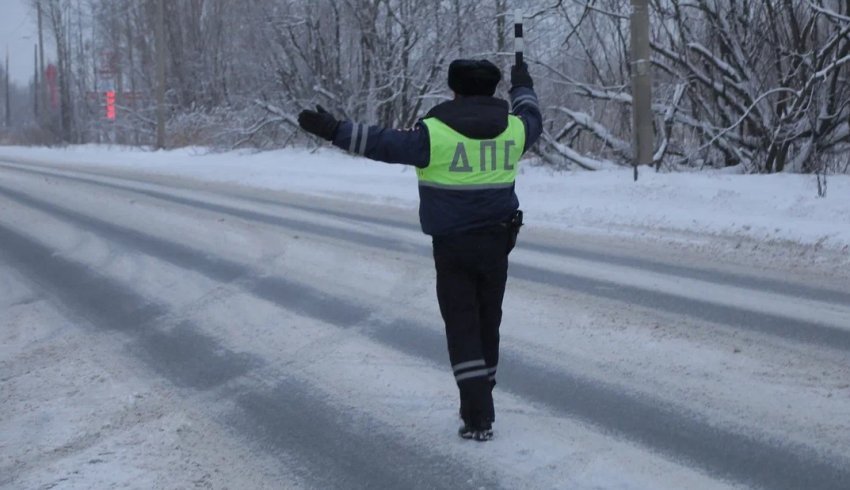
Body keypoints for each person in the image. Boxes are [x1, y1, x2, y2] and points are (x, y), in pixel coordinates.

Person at [297, 59, 542, 441]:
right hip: (498, 243)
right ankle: (480, 401)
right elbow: (532, 114)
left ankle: (477, 416)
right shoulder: (514, 129)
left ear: (454, 91)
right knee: (487, 322)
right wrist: (522, 85)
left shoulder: (435, 134)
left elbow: (381, 142)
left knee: (463, 327)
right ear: (493, 90)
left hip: (453, 247)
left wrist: (334, 130)